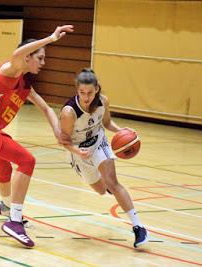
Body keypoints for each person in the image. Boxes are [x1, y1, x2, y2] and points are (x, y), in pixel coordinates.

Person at [0, 25, 74, 248]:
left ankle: (5, 206)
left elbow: (46, 109)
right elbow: (16, 54)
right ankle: (14, 221)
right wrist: (50, 38)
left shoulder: (23, 84)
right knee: (27, 160)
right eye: (39, 58)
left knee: (4, 170)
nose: (43, 63)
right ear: (27, 58)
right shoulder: (9, 69)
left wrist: (57, 131)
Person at [60, 68, 149, 248]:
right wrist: (78, 152)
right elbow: (64, 141)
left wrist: (123, 131)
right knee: (101, 190)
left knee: (113, 182)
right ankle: (106, 186)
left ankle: (138, 226)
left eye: (90, 93)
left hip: (99, 142)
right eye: (82, 93)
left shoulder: (103, 102)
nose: (86, 97)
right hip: (78, 152)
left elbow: (106, 123)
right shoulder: (69, 112)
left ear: (97, 89)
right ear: (77, 91)